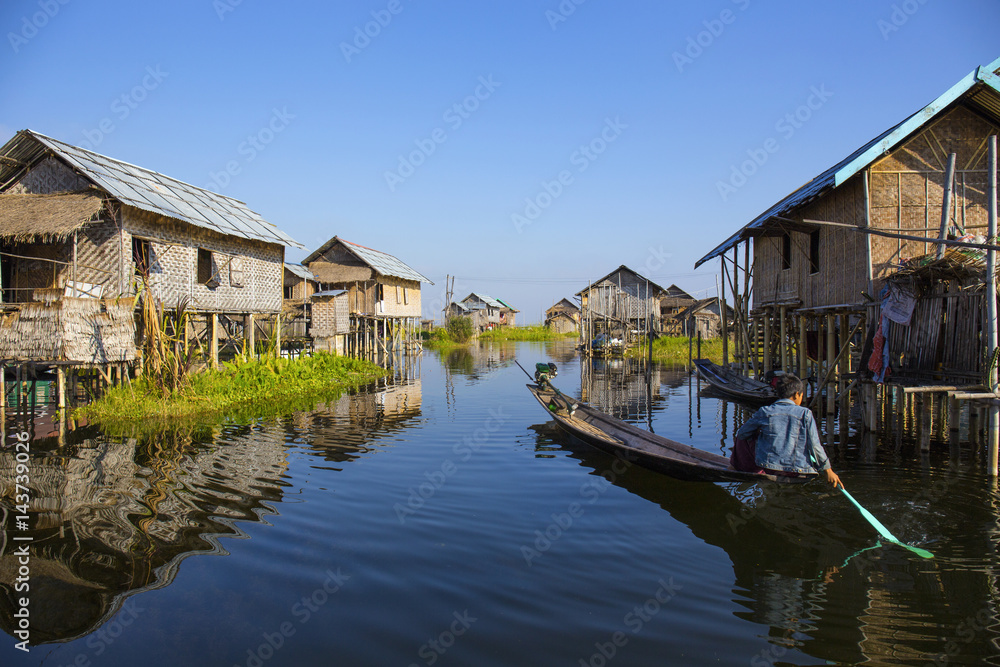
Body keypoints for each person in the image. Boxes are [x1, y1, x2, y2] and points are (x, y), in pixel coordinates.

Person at [732, 374, 843, 488]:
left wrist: (759, 436)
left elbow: (742, 433)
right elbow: (815, 445)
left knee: (745, 436)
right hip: (798, 469)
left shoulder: (765, 411)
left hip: (769, 466)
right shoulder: (805, 414)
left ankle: (743, 467)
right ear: (796, 395)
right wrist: (828, 470)